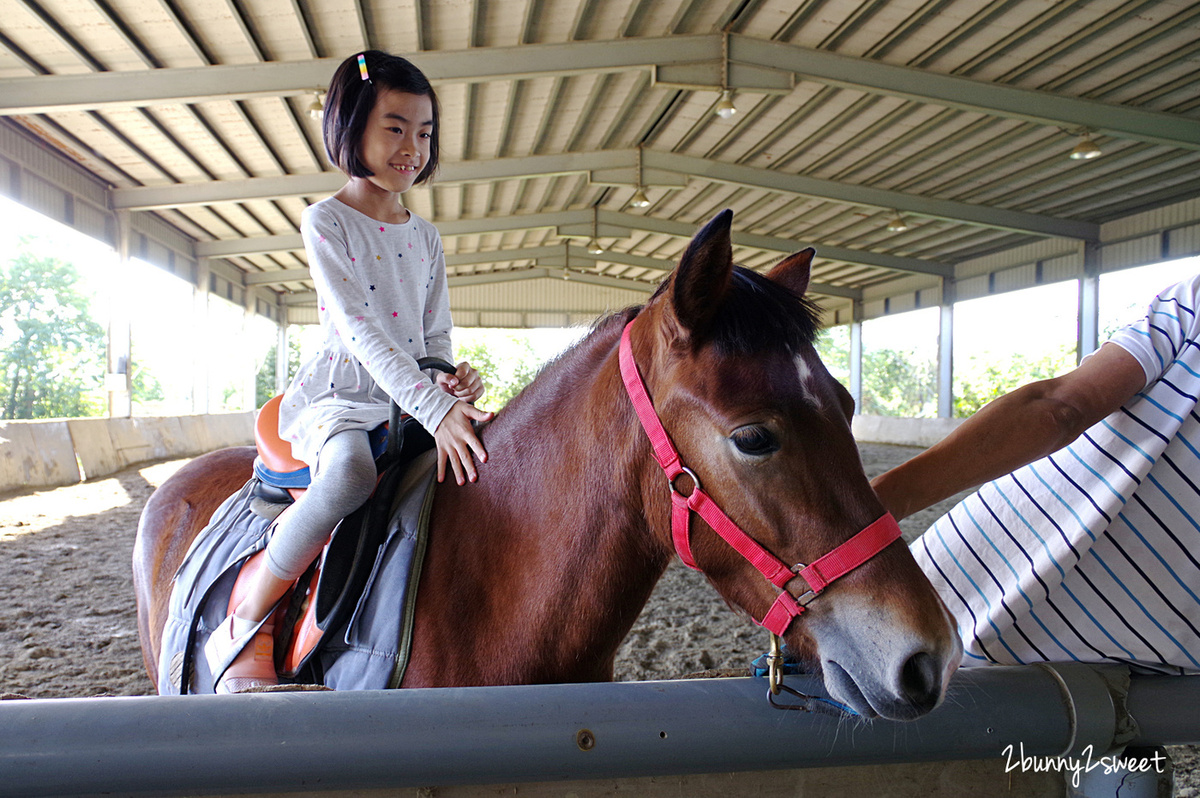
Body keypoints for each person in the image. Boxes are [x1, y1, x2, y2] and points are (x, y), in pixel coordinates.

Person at [204, 51, 492, 693]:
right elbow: (361, 331)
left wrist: (449, 381)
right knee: (350, 474)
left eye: (424, 132)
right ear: (351, 125)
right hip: (343, 395)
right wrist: (434, 406)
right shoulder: (327, 220)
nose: (411, 148)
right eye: (394, 127)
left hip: (410, 394)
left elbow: (434, 336)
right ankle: (248, 617)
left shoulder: (425, 236)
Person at [872, 274, 1200, 675]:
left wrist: (879, 503)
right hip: (1143, 654)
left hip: (972, 571)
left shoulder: (1194, 302)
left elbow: (1061, 407)